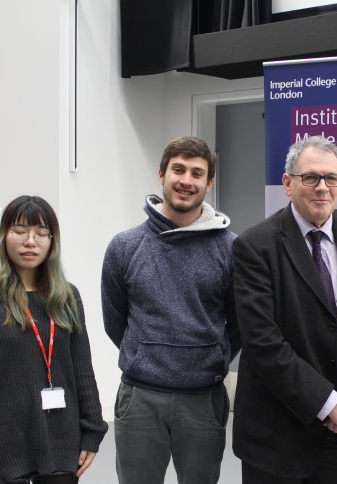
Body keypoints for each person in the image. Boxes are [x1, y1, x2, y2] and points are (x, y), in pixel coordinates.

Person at [232, 135, 337, 483]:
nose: (322, 187)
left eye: (332, 178)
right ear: (288, 183)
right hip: (278, 436)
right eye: (310, 177)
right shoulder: (255, 246)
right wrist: (329, 404)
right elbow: (262, 341)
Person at [102, 136, 240, 484]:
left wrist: (214, 358)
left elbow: (239, 323)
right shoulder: (125, 246)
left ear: (208, 184)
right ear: (161, 174)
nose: (186, 180)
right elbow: (114, 320)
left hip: (203, 398)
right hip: (140, 397)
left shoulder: (230, 248)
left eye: (197, 173)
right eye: (178, 170)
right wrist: (143, 356)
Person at [0, 196, 108, 484]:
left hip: (61, 441)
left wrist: (93, 430)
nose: (30, 241)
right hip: (2, 446)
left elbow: (82, 370)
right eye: (20, 231)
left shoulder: (67, 297)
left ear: (52, 241)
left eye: (40, 233)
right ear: (4, 237)